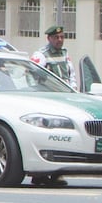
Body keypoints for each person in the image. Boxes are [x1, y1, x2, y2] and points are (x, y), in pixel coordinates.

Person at [29, 25, 76, 187]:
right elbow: (32, 77)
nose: (60, 40)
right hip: (47, 101)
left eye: (62, 37)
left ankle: (57, 173)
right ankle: (40, 174)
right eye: (56, 38)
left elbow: (71, 75)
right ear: (49, 38)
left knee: (64, 138)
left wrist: (74, 92)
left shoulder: (65, 54)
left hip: (65, 100)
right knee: (49, 137)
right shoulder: (41, 55)